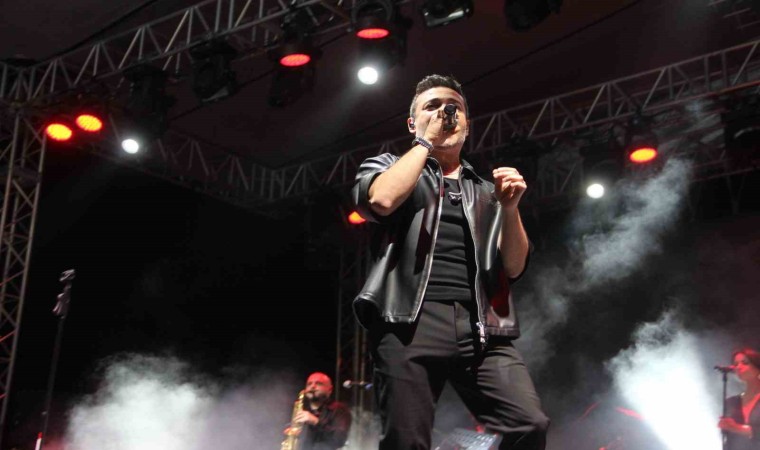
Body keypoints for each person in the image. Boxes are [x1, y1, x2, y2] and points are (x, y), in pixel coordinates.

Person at [351, 74, 549, 450]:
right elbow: (381, 201)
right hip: (409, 322)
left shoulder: (486, 190)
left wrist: (509, 209)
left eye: (454, 107)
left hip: (481, 326)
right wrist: (425, 142)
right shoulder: (387, 166)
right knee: (406, 442)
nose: (446, 112)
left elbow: (514, 267)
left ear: (467, 125)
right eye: (432, 107)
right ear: (412, 123)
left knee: (530, 424)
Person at [284, 372, 351, 450]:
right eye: (309, 384)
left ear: (330, 389)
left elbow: (339, 439)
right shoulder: (301, 410)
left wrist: (315, 422)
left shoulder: (339, 409)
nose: (312, 386)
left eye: (318, 383)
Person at [719, 348, 760, 450]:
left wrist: (737, 428)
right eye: (736, 364)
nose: (739, 367)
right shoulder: (731, 402)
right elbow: (729, 440)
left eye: (745, 363)